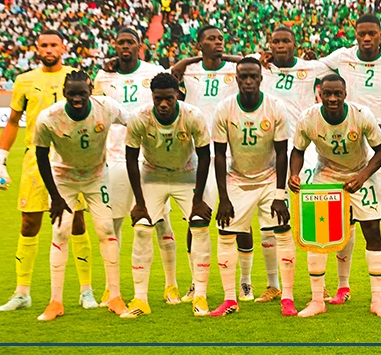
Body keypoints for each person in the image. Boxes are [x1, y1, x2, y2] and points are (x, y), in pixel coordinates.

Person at [317, 14, 381, 304]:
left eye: (371, 34)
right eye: (361, 33)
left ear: (380, 35)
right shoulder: (342, 57)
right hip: (350, 145)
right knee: (344, 219)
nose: (366, 38)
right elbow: (307, 67)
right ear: (355, 33)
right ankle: (343, 286)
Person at [0, 30, 95, 313]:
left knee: (77, 223)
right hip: (35, 160)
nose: (49, 49)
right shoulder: (25, 80)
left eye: (54, 45)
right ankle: (22, 292)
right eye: (44, 45)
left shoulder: (77, 76)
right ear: (37, 49)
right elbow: (13, 121)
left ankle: (86, 291)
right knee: (29, 223)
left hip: (72, 159)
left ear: (63, 47)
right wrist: (0, 161)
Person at [170, 26, 261, 303]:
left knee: (240, 219)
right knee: (195, 217)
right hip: (197, 154)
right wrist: (188, 61)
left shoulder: (234, 71)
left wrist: (228, 56)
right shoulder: (190, 71)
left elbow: (249, 61)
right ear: (199, 44)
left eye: (221, 39)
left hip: (230, 153)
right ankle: (196, 284)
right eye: (211, 39)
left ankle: (245, 282)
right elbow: (170, 75)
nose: (218, 42)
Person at [288, 74, 381, 318]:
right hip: (326, 176)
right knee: (317, 237)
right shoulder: (309, 118)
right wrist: (294, 174)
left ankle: (377, 300)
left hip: (359, 174)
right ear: (320, 94)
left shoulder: (361, 114)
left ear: (345, 94)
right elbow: (297, 150)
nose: (333, 98)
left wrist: (363, 176)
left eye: (337, 94)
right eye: (328, 94)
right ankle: (317, 300)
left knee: (372, 233)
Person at [31, 70, 129, 320]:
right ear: (64, 92)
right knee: (60, 232)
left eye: (82, 93)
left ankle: (115, 297)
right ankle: (55, 302)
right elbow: (41, 157)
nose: (77, 98)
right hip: (64, 179)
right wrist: (56, 196)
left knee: (106, 230)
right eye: (72, 93)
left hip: (97, 177)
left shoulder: (106, 107)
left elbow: (132, 122)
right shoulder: (49, 118)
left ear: (90, 91)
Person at [120, 73, 213, 318]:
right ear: (152, 97)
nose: (163, 104)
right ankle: (140, 299)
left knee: (200, 226)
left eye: (168, 99)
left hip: (187, 174)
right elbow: (130, 158)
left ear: (177, 95)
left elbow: (205, 156)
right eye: (158, 99)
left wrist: (198, 198)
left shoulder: (192, 116)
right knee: (141, 228)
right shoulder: (140, 118)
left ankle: (200, 295)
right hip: (153, 175)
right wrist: (139, 203)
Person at [208, 57, 295, 317]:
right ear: (236, 79)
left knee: (282, 230)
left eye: (252, 77)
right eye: (242, 77)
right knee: (225, 233)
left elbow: (282, 153)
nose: (247, 81)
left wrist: (280, 195)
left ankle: (287, 297)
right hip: (237, 179)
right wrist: (223, 197)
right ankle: (229, 299)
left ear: (260, 78)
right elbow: (220, 154)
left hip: (269, 177)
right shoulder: (224, 109)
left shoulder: (275, 107)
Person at [93, 27, 174, 305]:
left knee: (161, 221)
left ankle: (171, 284)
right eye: (121, 42)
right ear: (114, 45)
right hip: (115, 158)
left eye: (131, 42)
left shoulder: (153, 71)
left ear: (140, 46)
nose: (125, 46)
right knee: (112, 225)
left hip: (150, 158)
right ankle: (110, 287)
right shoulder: (104, 76)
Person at [254, 25, 333, 303]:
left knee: (311, 218)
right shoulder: (260, 66)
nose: (280, 46)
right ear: (269, 45)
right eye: (275, 41)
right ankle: (274, 284)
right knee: (272, 219)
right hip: (270, 151)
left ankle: (319, 284)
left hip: (304, 150)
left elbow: (350, 66)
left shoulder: (312, 68)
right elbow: (226, 61)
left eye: (286, 41)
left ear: (295, 44)